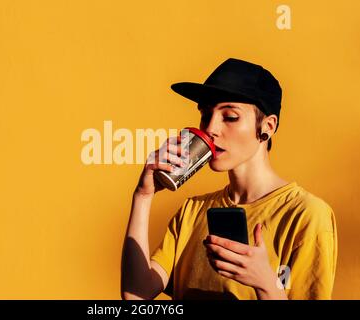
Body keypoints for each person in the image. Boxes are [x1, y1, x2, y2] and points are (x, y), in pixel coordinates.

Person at [120, 58, 337, 300]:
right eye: (206, 115)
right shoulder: (192, 211)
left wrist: (266, 285)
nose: (210, 129)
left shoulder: (306, 215)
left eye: (230, 117)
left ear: (267, 126)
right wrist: (142, 195)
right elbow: (136, 297)